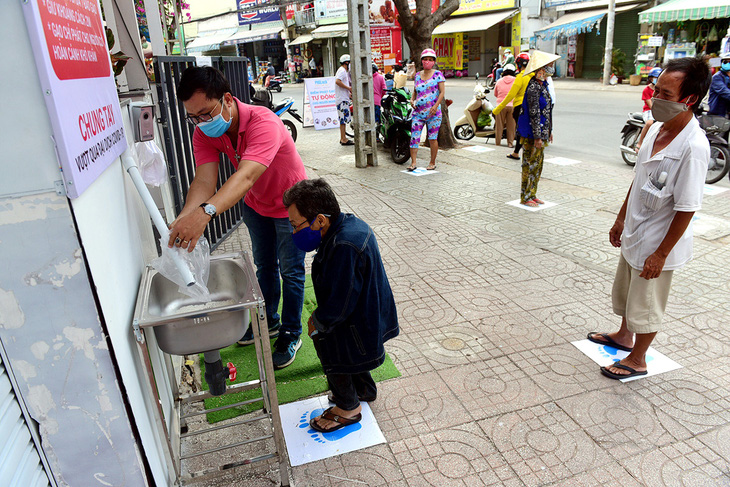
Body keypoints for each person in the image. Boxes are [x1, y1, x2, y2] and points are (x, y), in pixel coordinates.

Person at [171, 66, 307, 369]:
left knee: (292, 271)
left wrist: (205, 213)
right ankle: (270, 319)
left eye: (205, 114)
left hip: (292, 208)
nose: (201, 123)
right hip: (257, 205)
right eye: (192, 117)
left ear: (228, 99)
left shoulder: (264, 122)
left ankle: (291, 332)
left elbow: (245, 175)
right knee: (265, 268)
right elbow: (204, 181)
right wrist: (185, 217)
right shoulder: (203, 131)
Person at [588, 57, 711, 380]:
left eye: (666, 95)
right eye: (657, 90)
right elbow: (640, 178)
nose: (656, 99)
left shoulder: (694, 147)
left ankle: (638, 359)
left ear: (690, 99)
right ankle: (623, 336)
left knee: (646, 302)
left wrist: (661, 253)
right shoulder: (656, 128)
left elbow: (687, 207)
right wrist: (620, 218)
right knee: (628, 290)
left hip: (659, 240)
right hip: (636, 227)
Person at [282, 179, 399, 433]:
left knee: (323, 337)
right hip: (368, 316)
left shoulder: (344, 245)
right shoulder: (347, 225)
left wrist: (318, 322)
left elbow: (340, 302)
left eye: (296, 225)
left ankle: (348, 406)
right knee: (330, 329)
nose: (294, 233)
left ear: (321, 220)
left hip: (361, 325)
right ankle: (363, 389)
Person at [517, 51, 559, 207]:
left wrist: (549, 131)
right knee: (529, 164)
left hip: (541, 132)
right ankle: (525, 196)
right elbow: (534, 113)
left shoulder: (544, 85)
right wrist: (538, 137)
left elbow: (547, 111)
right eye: (549, 66)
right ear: (541, 69)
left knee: (538, 166)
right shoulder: (533, 87)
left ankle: (532, 193)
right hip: (531, 134)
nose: (551, 69)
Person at [407, 48, 445, 171]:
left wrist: (435, 106)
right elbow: (415, 91)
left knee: (432, 138)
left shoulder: (438, 75)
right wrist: (412, 100)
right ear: (422, 61)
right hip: (418, 113)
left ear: (434, 61)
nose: (427, 61)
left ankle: (432, 162)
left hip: (434, 113)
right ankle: (413, 162)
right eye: (425, 59)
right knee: (414, 137)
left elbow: (442, 92)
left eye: (430, 59)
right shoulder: (417, 76)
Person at [493, 52, 532, 161]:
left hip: (519, 107)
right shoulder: (533, 76)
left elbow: (510, 95)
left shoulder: (520, 77)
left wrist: (497, 109)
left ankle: (517, 152)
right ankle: (517, 151)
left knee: (520, 130)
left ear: (519, 64)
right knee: (524, 129)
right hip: (531, 107)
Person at [636, 67, 662, 151]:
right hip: (649, 111)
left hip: (659, 110)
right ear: (650, 78)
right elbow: (650, 105)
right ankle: (639, 143)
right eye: (655, 78)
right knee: (649, 123)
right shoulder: (646, 90)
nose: (656, 80)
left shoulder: (661, 90)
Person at [493, 63, 517, 147]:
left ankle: (498, 142)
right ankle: (510, 143)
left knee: (499, 125)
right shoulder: (516, 80)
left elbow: (495, 94)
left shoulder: (499, 81)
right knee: (511, 126)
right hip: (512, 106)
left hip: (500, 105)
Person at [335, 54, 353, 146]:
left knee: (343, 120)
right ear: (346, 62)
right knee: (343, 120)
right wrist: (349, 88)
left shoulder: (343, 71)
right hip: (341, 100)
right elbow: (337, 81)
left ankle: (343, 137)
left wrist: (348, 93)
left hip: (343, 98)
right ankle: (343, 139)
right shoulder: (342, 71)